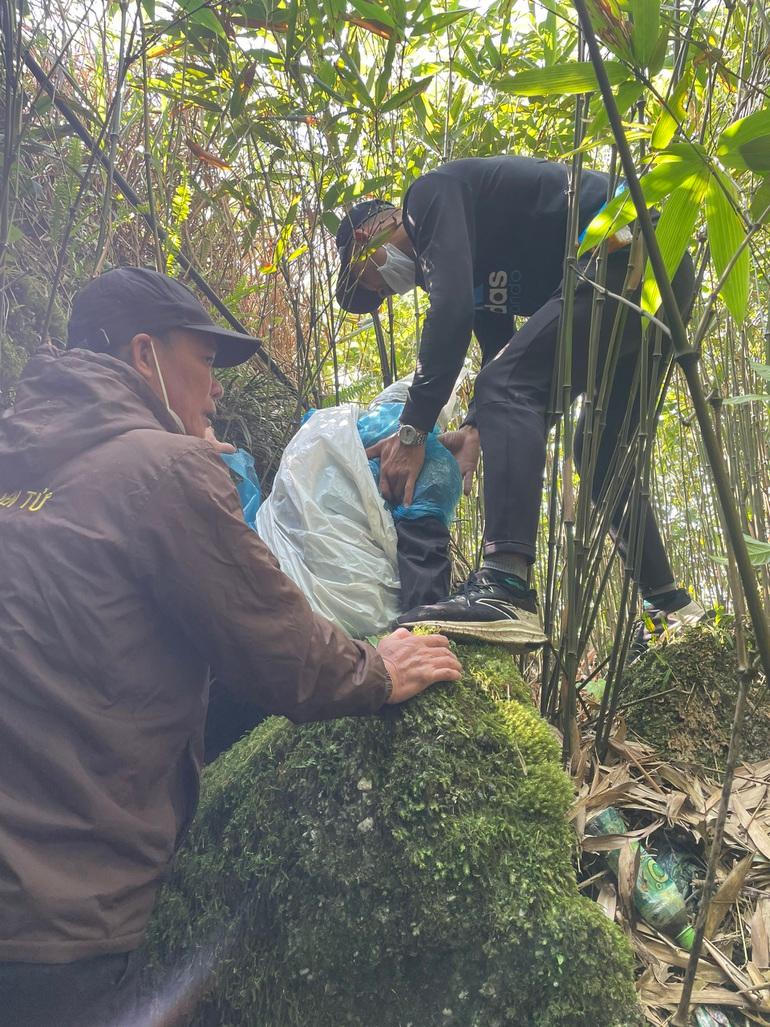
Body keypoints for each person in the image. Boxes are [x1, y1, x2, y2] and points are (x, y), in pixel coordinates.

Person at [0, 266, 462, 1026]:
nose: (216, 391)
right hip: (63, 914)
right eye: (206, 361)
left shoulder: (21, 459)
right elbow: (277, 649)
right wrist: (376, 668)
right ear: (144, 354)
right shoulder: (164, 469)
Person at [335, 155, 705, 648]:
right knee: (599, 451)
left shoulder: (428, 196)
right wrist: (475, 429)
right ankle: (670, 606)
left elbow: (454, 315)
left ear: (367, 236)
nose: (383, 291)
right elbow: (499, 347)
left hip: (629, 250)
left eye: (369, 281)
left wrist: (412, 431)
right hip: (665, 272)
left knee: (505, 388)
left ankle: (505, 587)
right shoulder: (463, 252)